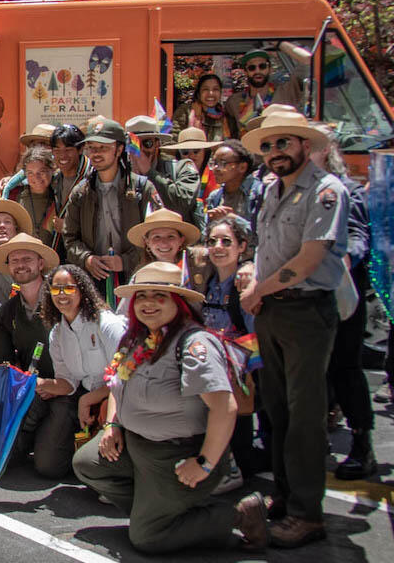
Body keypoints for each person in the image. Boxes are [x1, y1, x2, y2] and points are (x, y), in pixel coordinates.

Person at [72, 262, 267, 553]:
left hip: (177, 455)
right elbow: (117, 384)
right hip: (137, 445)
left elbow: (224, 408)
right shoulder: (138, 337)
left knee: (148, 539)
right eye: (142, 296)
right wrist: (113, 425)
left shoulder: (194, 344)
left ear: (179, 301)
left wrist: (204, 463)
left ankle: (239, 514)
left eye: (158, 295)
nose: (148, 303)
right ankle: (158, 510)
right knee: (87, 464)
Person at [238, 111, 346, 547]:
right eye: (267, 146)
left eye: (283, 143)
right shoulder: (270, 188)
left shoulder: (326, 191)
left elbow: (308, 261)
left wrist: (255, 290)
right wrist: (252, 273)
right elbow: (269, 248)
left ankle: (307, 513)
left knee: (305, 417)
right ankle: (284, 495)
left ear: (304, 144)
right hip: (271, 309)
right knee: (277, 410)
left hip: (304, 311)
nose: (274, 153)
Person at [308, 122, 375, 481]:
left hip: (338, 294)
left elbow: (359, 235)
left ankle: (362, 443)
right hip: (300, 300)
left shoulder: (346, 189)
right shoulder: (288, 189)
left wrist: (344, 256)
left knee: (345, 368)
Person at [0, 234, 73, 477]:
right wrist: (23, 385)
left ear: (40, 264)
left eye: (27, 259)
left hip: (67, 390)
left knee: (48, 467)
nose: (20, 264)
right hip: (31, 391)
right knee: (6, 457)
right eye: (14, 260)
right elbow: (2, 363)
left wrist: (56, 386)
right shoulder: (6, 312)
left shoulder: (63, 299)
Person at [62, 119, 162, 301]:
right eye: (92, 147)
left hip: (136, 279)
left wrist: (124, 261)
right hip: (93, 282)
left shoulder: (142, 189)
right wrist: (87, 259)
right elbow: (69, 238)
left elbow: (157, 237)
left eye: (104, 147)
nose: (96, 153)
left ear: (119, 149)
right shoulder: (81, 193)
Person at [200, 215, 264, 484]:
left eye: (227, 241)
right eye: (213, 241)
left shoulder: (246, 283)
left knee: (245, 452)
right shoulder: (204, 281)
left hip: (239, 373)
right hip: (209, 367)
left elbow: (255, 337)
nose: (218, 247)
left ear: (242, 246)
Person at [36, 264, 125, 439]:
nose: (62, 294)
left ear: (82, 290)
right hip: (82, 400)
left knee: (86, 462)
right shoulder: (57, 333)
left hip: (117, 401)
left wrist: (88, 400)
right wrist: (35, 383)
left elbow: (124, 377)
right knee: (48, 462)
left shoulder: (106, 324)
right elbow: (68, 382)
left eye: (69, 288)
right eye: (56, 289)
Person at [125, 115, 201, 229]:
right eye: (134, 144)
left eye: (147, 143)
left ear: (157, 144)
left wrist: (150, 173)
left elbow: (181, 204)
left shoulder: (182, 168)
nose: (141, 151)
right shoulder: (121, 175)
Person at [226, 48, 305, 125]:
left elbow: (307, 63)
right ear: (246, 72)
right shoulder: (234, 102)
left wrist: (280, 44)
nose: (257, 71)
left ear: (270, 69)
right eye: (252, 68)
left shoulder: (286, 93)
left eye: (262, 66)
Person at [204, 139, 264, 232]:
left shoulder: (259, 192)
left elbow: (264, 233)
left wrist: (233, 220)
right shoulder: (215, 197)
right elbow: (205, 234)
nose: (215, 169)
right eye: (214, 163)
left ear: (242, 167)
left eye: (222, 163)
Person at [9, 146, 61, 250]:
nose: (36, 177)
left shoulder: (60, 197)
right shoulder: (14, 196)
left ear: (52, 170)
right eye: (30, 173)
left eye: (42, 172)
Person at [126, 208, 202, 273]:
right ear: (147, 242)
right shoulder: (141, 275)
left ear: (181, 240)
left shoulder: (199, 265)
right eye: (157, 237)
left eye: (171, 236)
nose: (164, 243)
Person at [174, 74, 241, 141]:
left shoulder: (227, 117)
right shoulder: (186, 111)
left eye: (215, 89)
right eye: (205, 89)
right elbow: (173, 138)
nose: (211, 93)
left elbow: (234, 143)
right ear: (199, 93)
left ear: (220, 93)